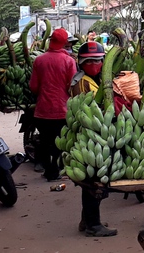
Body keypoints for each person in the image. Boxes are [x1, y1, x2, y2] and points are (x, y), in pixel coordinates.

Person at [69, 41, 118, 237]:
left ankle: (87, 220)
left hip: (92, 133)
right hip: (90, 134)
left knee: (91, 182)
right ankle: (93, 225)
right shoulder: (84, 82)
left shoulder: (91, 78)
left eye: (97, 60)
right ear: (81, 63)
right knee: (94, 182)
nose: (93, 64)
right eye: (88, 61)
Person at [29, 28, 77, 181]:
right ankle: (55, 172)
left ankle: (46, 169)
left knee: (44, 140)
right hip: (62, 110)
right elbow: (72, 86)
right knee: (59, 143)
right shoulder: (69, 61)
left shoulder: (39, 60)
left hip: (42, 109)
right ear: (65, 43)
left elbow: (34, 87)